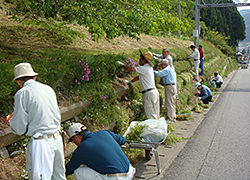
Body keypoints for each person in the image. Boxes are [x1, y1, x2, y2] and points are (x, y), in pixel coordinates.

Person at [9, 63, 66, 180]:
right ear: (34, 77)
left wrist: (11, 120)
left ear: (18, 81)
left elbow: (19, 127)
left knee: (39, 177)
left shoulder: (22, 93)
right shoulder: (48, 89)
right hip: (57, 138)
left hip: (41, 142)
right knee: (59, 176)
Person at [65, 123, 136, 180]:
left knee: (77, 172)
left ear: (76, 137)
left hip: (117, 178)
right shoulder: (104, 132)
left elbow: (69, 169)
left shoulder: (83, 148)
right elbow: (122, 140)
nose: (74, 143)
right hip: (130, 171)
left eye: (73, 140)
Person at [122, 50, 160, 120]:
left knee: (150, 115)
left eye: (140, 59)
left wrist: (123, 65)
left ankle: (153, 129)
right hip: (153, 92)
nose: (139, 60)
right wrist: (130, 81)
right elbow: (139, 77)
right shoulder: (149, 68)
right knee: (155, 113)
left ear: (144, 60)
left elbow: (131, 69)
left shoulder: (144, 68)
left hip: (148, 93)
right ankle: (158, 128)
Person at [154, 59, 177, 123]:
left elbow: (158, 74)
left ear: (164, 64)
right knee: (172, 102)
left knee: (169, 103)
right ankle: (173, 116)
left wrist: (151, 71)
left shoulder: (166, 70)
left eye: (161, 65)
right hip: (172, 86)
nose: (161, 66)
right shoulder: (170, 69)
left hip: (169, 86)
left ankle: (170, 118)